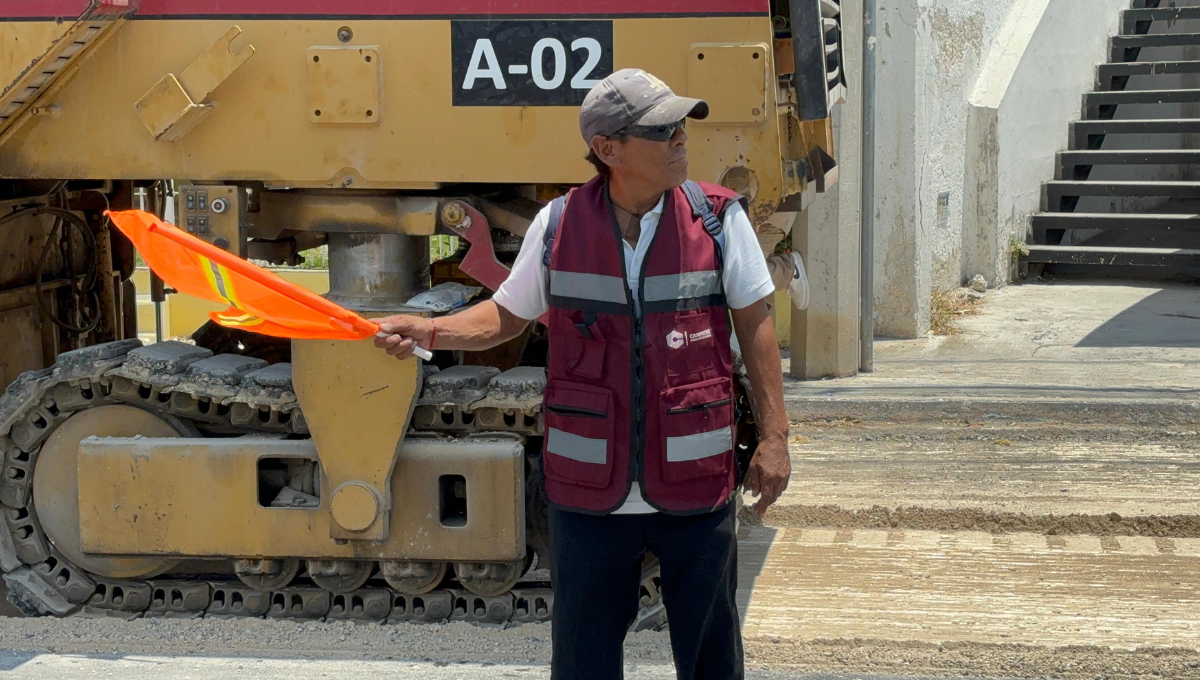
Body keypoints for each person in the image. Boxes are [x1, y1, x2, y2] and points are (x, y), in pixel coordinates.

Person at [374, 68, 791, 680]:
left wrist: (777, 438)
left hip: (695, 484)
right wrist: (429, 331)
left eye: (681, 125)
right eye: (662, 129)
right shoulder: (559, 224)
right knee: (582, 660)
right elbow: (505, 316)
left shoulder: (718, 222)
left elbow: (756, 323)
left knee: (711, 658)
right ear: (608, 149)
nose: (681, 138)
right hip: (588, 493)